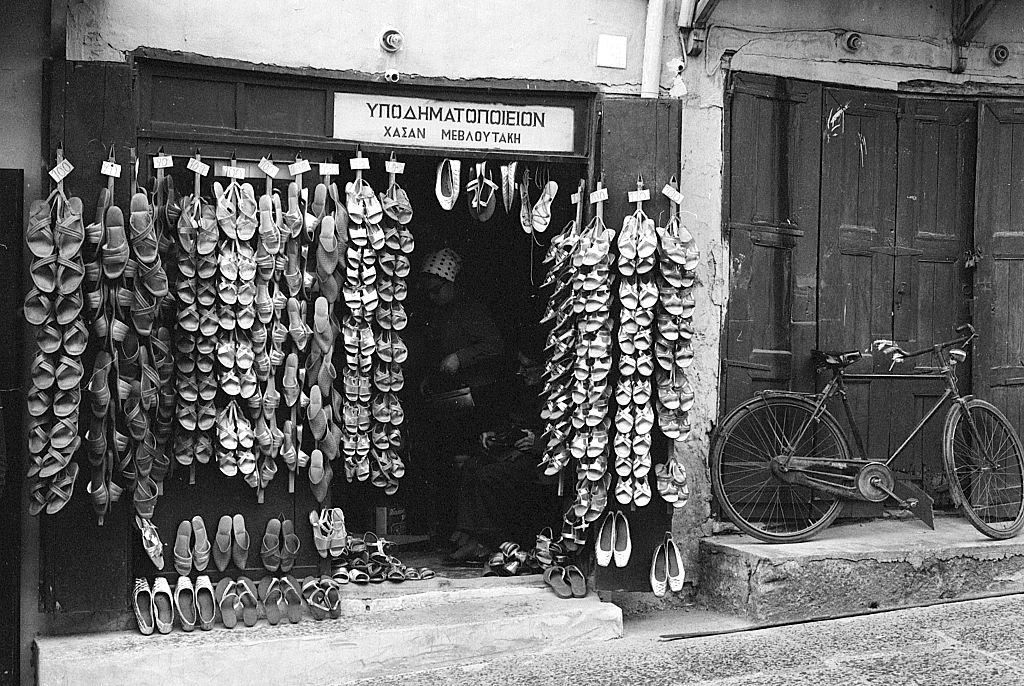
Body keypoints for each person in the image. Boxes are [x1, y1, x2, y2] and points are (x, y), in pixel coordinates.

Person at [404, 247, 506, 537]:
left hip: (477, 397)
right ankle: (450, 530)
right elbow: (438, 354)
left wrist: (461, 358)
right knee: (446, 462)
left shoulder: (472, 310)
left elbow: (494, 345)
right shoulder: (439, 314)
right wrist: (430, 377)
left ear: (451, 283)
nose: (432, 298)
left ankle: (469, 531)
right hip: (452, 398)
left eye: (437, 291)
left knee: (468, 462)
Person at [444, 348, 551, 566]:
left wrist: (538, 443)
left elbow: (566, 436)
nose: (521, 373)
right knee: (471, 466)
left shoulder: (554, 394)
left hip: (542, 461)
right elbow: (514, 424)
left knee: (489, 476)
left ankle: (489, 541)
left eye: (527, 367)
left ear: (544, 368)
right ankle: (469, 536)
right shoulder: (526, 390)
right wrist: (494, 436)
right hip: (517, 454)